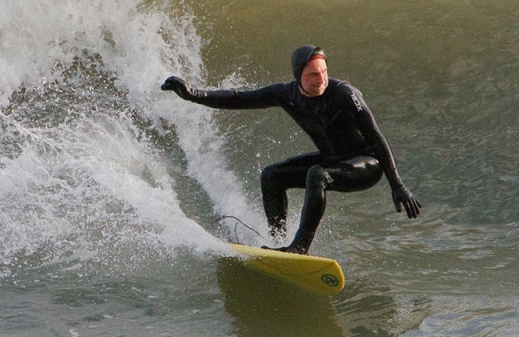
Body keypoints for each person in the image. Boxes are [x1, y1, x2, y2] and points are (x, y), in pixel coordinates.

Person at [161, 45, 421, 254]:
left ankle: (299, 248)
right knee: (272, 176)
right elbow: (239, 98)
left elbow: (377, 138)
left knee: (317, 175)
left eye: (324, 72)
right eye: (313, 75)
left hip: (366, 163)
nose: (321, 79)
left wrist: (396, 184)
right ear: (299, 76)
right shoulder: (286, 94)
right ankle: (278, 243)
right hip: (333, 159)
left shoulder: (344, 94)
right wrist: (192, 94)